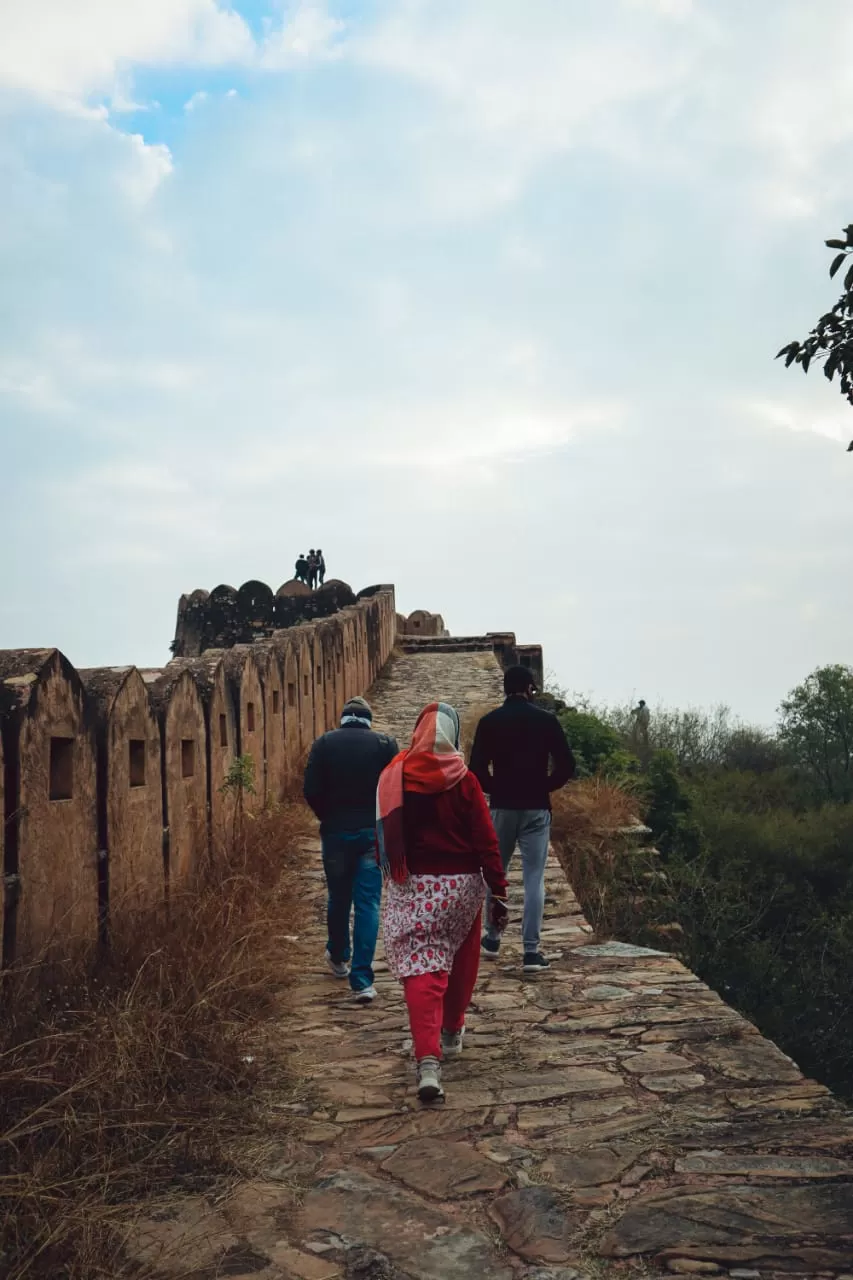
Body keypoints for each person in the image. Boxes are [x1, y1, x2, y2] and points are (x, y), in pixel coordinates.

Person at [377, 702, 509, 1103]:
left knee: (423, 969)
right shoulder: (465, 779)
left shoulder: (395, 775)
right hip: (461, 890)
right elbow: (487, 839)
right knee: (462, 960)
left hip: (413, 887)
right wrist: (498, 888)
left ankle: (428, 1061)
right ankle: (452, 1030)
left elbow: (380, 836)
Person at [470, 665, 575, 974]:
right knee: (533, 878)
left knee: (496, 873)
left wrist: (495, 788)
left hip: (502, 807)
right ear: (530, 689)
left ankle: (492, 938)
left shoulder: (490, 722)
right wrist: (545, 786)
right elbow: (567, 764)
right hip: (535, 809)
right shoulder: (546, 721)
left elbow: (476, 769)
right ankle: (531, 951)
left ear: (505, 689)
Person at [304, 696, 398, 1003]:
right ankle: (362, 981)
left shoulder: (324, 744)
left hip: (336, 833)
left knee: (339, 897)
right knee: (368, 904)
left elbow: (311, 791)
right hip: (372, 834)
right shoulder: (385, 745)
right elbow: (395, 791)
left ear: (343, 718)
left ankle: (340, 955)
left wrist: (328, 816)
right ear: (368, 720)